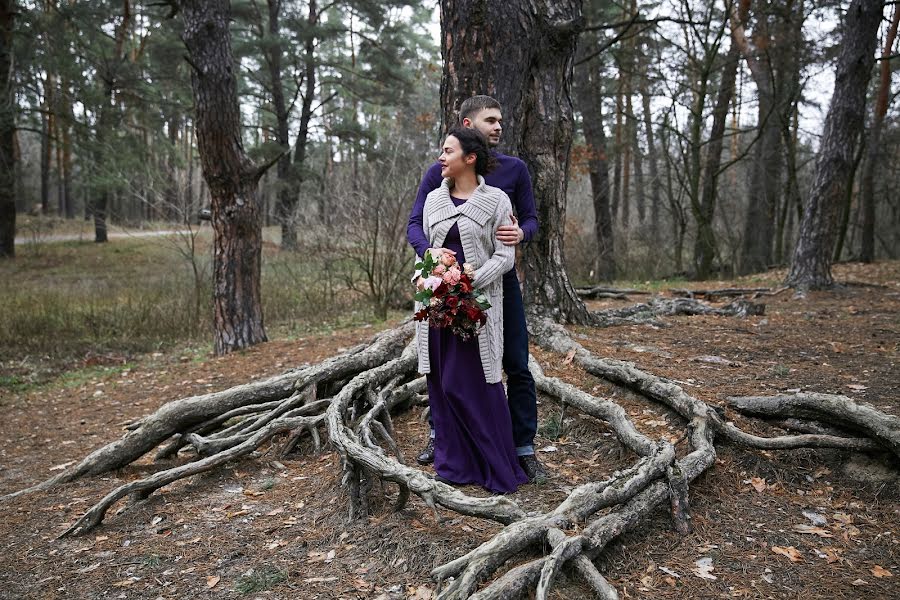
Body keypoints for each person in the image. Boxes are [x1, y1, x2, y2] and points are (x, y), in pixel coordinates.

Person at [407, 96, 548, 483]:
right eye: (491, 120)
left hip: (497, 286)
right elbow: (416, 224)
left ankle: (522, 448)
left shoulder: (513, 172)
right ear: (470, 125)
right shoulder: (440, 174)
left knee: (514, 362)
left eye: (501, 119)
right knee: (442, 366)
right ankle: (444, 440)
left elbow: (531, 221)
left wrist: (522, 233)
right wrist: (433, 263)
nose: (499, 126)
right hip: (442, 288)